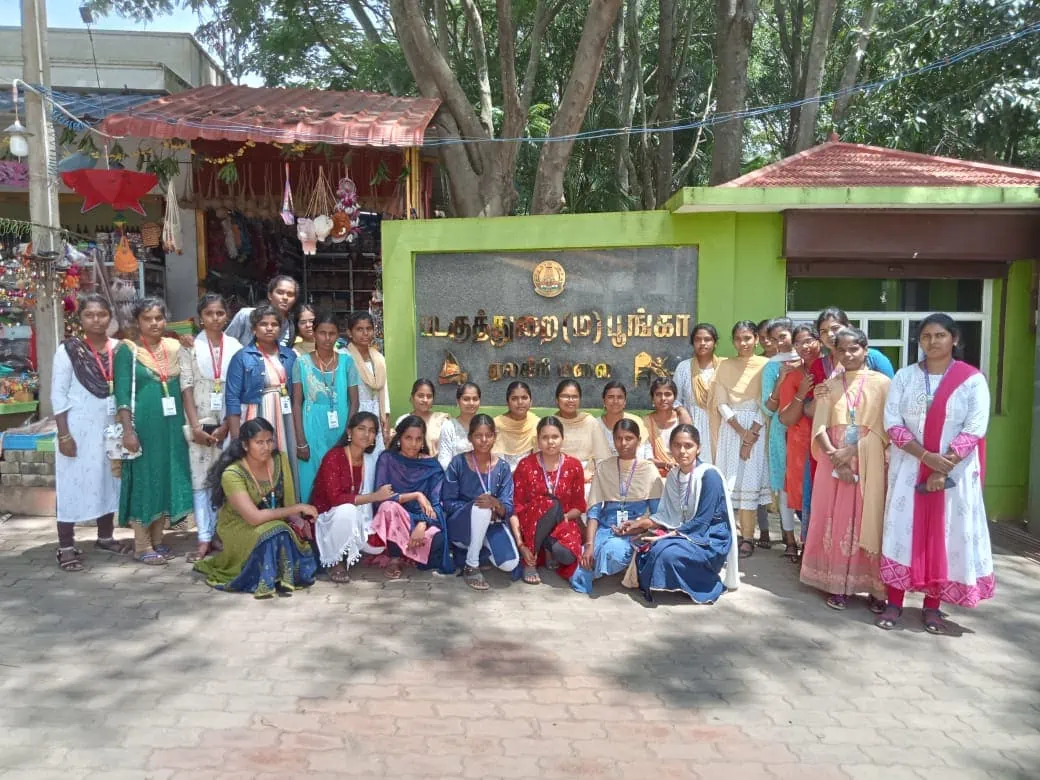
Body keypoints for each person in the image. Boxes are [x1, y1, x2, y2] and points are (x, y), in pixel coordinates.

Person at [876, 314, 994, 634]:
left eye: (940, 335)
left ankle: (932, 606)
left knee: (945, 533)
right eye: (926, 336)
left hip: (955, 473)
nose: (932, 341)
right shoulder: (905, 377)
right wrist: (925, 457)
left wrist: (943, 466)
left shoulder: (972, 380)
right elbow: (893, 423)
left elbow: (975, 427)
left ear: (954, 339)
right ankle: (894, 602)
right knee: (902, 532)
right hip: (909, 467)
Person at [800, 327, 890, 612]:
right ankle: (836, 584)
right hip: (832, 462)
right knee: (833, 518)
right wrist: (836, 457)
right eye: (842, 350)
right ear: (834, 352)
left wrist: (851, 452)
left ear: (865, 350)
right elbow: (819, 428)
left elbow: (885, 428)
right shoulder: (829, 385)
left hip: (868, 461)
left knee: (868, 519)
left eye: (854, 349)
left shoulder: (883, 384)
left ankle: (875, 587)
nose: (848, 354)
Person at [193, 418, 318, 597]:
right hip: (239, 526)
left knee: (291, 534)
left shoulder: (280, 459)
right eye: (259, 442)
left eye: (269, 441)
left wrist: (299, 520)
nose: (266, 447)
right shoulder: (232, 474)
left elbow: (289, 504)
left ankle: (280, 576)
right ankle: (267, 579)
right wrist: (296, 509)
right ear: (245, 445)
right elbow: (254, 518)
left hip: (274, 521)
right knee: (277, 531)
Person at [52, 294, 129, 571]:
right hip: (78, 429)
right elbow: (58, 394)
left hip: (111, 427)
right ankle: (66, 546)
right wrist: (64, 435)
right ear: (80, 318)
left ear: (110, 317)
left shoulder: (120, 349)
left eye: (102, 314)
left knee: (108, 479)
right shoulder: (69, 350)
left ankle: (105, 537)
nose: (96, 320)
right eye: (89, 314)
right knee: (72, 482)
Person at [114, 298, 193, 565]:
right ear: (137, 322)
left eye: (159, 318)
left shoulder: (174, 347)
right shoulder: (129, 351)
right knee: (145, 481)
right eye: (147, 318)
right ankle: (142, 545)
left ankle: (158, 540)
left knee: (165, 478)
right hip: (144, 429)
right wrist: (128, 431)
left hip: (171, 428)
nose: (154, 323)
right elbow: (121, 394)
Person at [632, 424, 738, 603]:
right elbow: (667, 514)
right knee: (644, 547)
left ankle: (706, 584)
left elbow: (702, 521)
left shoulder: (709, 475)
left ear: (698, 448)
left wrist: (665, 536)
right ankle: (681, 581)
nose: (682, 451)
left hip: (709, 537)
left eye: (688, 446)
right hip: (684, 532)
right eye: (677, 445)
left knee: (666, 554)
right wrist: (642, 523)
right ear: (670, 448)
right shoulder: (674, 475)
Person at [179, 293, 243, 562]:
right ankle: (204, 536)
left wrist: (227, 424)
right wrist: (195, 426)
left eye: (220, 313)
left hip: (229, 422)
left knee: (225, 478)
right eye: (209, 313)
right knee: (201, 480)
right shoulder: (190, 347)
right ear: (200, 318)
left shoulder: (235, 347)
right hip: (200, 422)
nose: (215, 318)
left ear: (227, 316)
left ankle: (221, 532)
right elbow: (186, 387)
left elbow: (238, 388)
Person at [571, 419, 663, 594]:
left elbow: (657, 516)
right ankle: (594, 565)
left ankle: (606, 564)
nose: (623, 443)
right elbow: (594, 512)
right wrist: (589, 545)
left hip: (635, 531)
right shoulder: (604, 467)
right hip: (606, 528)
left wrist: (637, 527)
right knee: (582, 561)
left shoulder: (649, 470)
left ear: (638, 440)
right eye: (618, 438)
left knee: (613, 552)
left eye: (629, 438)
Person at [225, 303, 299, 506]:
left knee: (284, 458)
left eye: (274, 324)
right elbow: (232, 397)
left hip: (285, 417)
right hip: (257, 413)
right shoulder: (242, 357)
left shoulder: (289, 355)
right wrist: (236, 437)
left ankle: (286, 508)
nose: (269, 328)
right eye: (263, 324)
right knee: (257, 459)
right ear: (253, 329)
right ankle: (257, 508)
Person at [709, 320, 771, 558]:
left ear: (756, 339)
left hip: (757, 428)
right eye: (738, 339)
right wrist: (739, 431)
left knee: (749, 483)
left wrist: (750, 435)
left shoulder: (766, 365)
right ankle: (728, 533)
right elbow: (721, 401)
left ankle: (747, 537)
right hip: (731, 429)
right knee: (730, 481)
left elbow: (767, 401)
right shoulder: (725, 365)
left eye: (747, 338)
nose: (743, 343)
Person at [307, 411, 390, 584]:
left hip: (358, 517)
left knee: (379, 544)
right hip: (326, 518)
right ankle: (334, 561)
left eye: (372, 431)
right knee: (347, 511)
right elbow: (336, 499)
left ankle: (350, 548)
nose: (366, 434)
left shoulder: (371, 460)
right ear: (349, 432)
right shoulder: (334, 457)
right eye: (361, 429)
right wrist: (374, 496)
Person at [443, 414, 520, 590]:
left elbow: (508, 508)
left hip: (491, 524)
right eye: (478, 435)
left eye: (488, 435)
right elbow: (448, 502)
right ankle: (471, 565)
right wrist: (474, 509)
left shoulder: (503, 468)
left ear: (494, 437)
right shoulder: (458, 463)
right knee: (482, 506)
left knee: (510, 563)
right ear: (470, 438)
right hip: (461, 526)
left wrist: (496, 504)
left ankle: (476, 553)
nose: (484, 440)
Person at [370, 416, 450, 579]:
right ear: (399, 438)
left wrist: (421, 524)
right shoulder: (388, 459)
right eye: (408, 438)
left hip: (422, 520)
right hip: (396, 519)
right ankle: (395, 558)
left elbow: (436, 504)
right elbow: (381, 498)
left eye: (418, 439)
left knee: (439, 539)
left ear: (423, 441)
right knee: (388, 508)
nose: (413, 444)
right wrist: (416, 495)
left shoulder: (432, 466)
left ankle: (409, 552)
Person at [510, 416, 587, 585]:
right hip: (532, 524)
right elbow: (516, 507)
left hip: (563, 522)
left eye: (555, 437)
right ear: (538, 441)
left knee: (567, 555)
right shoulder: (526, 465)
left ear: (562, 438)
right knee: (549, 503)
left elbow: (579, 506)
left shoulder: (574, 465)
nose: (550, 442)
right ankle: (530, 560)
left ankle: (548, 546)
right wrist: (521, 543)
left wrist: (560, 517)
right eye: (545, 437)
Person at [292, 312, 359, 502]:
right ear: (314, 333)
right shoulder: (301, 363)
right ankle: (311, 517)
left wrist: (348, 434)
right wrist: (300, 440)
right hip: (311, 428)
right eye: (322, 333)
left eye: (332, 333)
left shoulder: (347, 362)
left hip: (340, 428)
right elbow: (296, 403)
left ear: (338, 335)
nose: (327, 338)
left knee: (338, 478)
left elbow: (354, 401)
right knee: (311, 478)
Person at [776, 324, 822, 558]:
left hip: (831, 444)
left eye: (809, 340)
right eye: (798, 343)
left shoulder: (835, 370)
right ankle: (809, 551)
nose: (805, 346)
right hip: (801, 445)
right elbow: (786, 418)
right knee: (804, 500)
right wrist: (801, 393)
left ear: (819, 340)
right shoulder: (793, 375)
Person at [761, 317, 799, 550]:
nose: (779, 343)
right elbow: (767, 408)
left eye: (783, 336)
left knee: (805, 481)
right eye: (774, 340)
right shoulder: (771, 367)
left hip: (806, 429)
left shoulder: (807, 361)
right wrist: (780, 380)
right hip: (781, 430)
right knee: (786, 483)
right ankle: (790, 539)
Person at [673, 323, 721, 464]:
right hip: (693, 422)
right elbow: (675, 398)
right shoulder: (684, 367)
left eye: (707, 339)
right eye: (698, 339)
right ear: (692, 343)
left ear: (715, 343)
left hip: (720, 425)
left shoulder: (723, 367)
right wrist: (682, 411)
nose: (702, 343)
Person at [812, 306, 895, 383]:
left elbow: (891, 389)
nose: (830, 334)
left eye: (835, 328)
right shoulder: (818, 366)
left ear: (849, 327)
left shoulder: (873, 358)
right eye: (824, 331)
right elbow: (813, 394)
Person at [345, 311, 390, 452]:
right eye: (359, 329)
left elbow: (384, 392)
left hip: (376, 413)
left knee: (376, 455)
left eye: (369, 329)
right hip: (354, 413)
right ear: (350, 332)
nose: (365, 333)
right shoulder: (344, 357)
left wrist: (386, 422)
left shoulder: (378, 358)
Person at [553, 379, 610, 483]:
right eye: (565, 396)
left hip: (588, 477)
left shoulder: (590, 422)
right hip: (557, 478)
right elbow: (542, 458)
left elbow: (603, 457)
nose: (570, 400)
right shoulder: (550, 424)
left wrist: (591, 475)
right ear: (557, 400)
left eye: (575, 397)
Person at [224, 275, 299, 349]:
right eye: (280, 292)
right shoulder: (246, 315)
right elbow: (225, 344)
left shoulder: (290, 327)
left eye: (290, 294)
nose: (285, 297)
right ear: (269, 295)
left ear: (295, 299)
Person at [644, 377, 692, 476]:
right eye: (658, 394)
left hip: (683, 473)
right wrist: (665, 464)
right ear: (652, 398)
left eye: (668, 394)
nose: (663, 398)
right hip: (654, 474)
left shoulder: (681, 419)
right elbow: (646, 455)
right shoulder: (645, 422)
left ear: (674, 397)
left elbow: (690, 450)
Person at [396, 379, 450, 458]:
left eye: (429, 396)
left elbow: (446, 452)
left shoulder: (441, 420)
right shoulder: (403, 420)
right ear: (412, 397)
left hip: (434, 464)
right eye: (420, 396)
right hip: (405, 463)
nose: (425, 400)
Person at [598, 381, 651, 461]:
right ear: (603, 401)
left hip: (634, 466)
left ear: (625, 401)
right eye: (610, 397)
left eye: (620, 397)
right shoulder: (595, 425)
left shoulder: (635, 421)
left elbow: (646, 449)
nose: (615, 401)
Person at [492, 380, 539, 471]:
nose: (520, 402)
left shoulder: (536, 423)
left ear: (531, 401)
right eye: (514, 398)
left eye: (524, 398)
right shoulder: (495, 425)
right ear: (507, 402)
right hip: (501, 474)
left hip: (529, 474)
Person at [438, 382, 481, 469]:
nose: (471, 403)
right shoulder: (449, 426)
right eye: (466, 399)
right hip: (455, 474)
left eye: (475, 399)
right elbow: (444, 460)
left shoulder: (485, 425)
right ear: (458, 401)